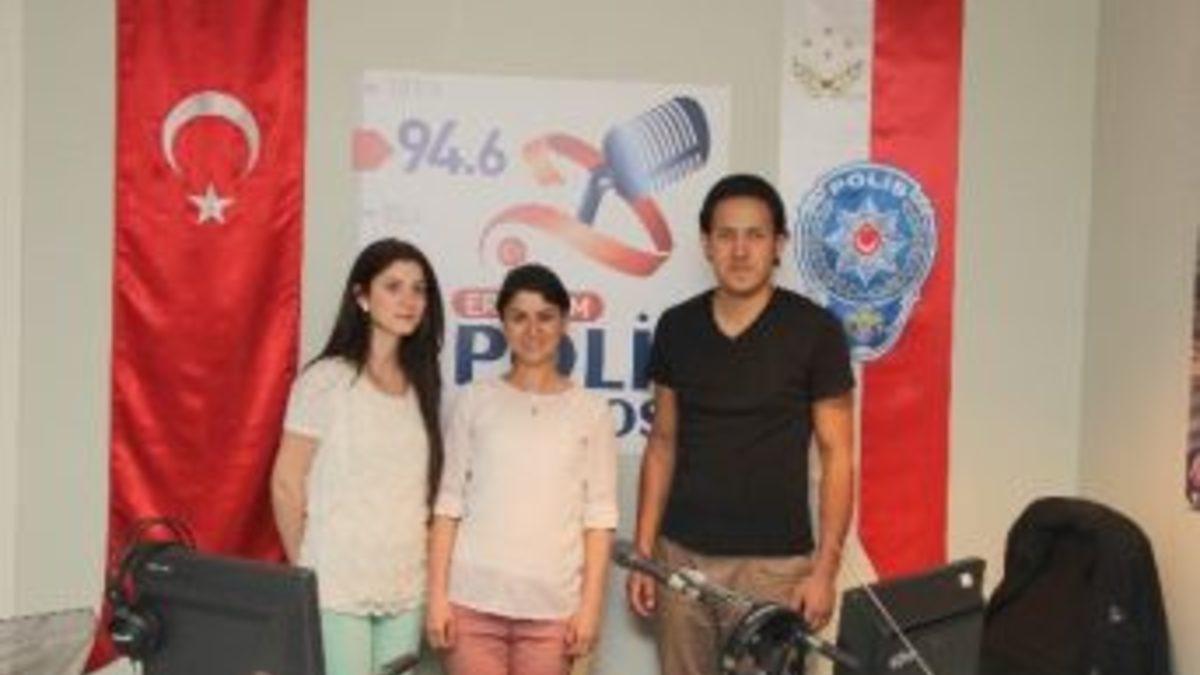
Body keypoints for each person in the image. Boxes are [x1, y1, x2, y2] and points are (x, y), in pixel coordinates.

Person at [626, 174, 856, 674]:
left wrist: (825, 570)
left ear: (778, 244)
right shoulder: (676, 326)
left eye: (755, 235)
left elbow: (838, 456)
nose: (740, 250)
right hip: (682, 562)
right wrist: (644, 553)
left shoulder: (816, 330)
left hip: (776, 570)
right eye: (726, 235)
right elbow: (662, 443)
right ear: (707, 244)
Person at [426, 263, 618, 675]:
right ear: (503, 324)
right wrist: (437, 597)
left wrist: (590, 609)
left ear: (564, 322)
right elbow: (448, 505)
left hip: (553, 612)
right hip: (471, 604)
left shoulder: (592, 411)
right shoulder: (474, 400)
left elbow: (599, 519)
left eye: (546, 317)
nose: (533, 330)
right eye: (519, 317)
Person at [270, 238, 445, 675]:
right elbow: (287, 483)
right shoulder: (326, 379)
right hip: (337, 586)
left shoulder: (422, 385)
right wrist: (309, 571)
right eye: (393, 287)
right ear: (362, 296)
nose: (409, 300)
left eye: (419, 289)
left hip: (405, 584)